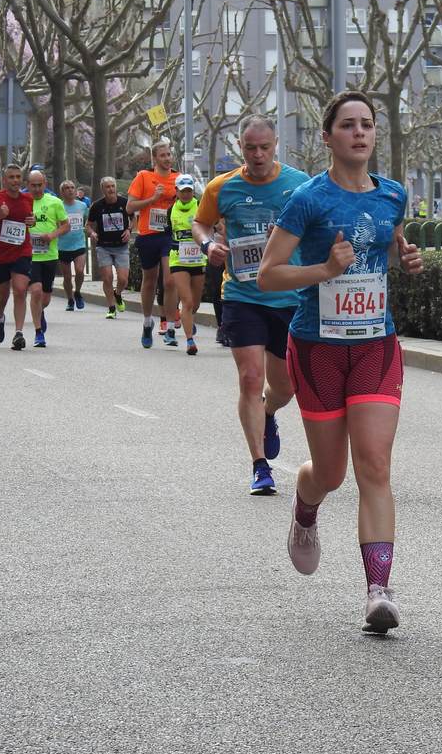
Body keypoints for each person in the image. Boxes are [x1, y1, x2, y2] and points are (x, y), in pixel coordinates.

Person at [258, 91, 424, 634]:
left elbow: (390, 246)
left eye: (367, 125)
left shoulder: (393, 196)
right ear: (327, 137)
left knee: (373, 465)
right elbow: (268, 275)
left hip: (376, 344)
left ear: (376, 135)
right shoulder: (308, 200)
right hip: (317, 347)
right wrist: (325, 271)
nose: (359, 133)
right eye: (347, 125)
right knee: (330, 473)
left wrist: (407, 256)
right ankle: (306, 509)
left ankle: (379, 590)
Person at [192, 114, 307, 495]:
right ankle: (260, 466)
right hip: (242, 295)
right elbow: (201, 223)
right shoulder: (222, 187)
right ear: (240, 148)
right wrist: (209, 245)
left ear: (276, 146)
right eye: (250, 148)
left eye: (264, 147)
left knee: (285, 386)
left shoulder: (299, 185)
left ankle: (270, 412)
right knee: (250, 378)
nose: (257, 155)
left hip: (288, 297)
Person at [0, 164, 36, 350]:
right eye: (12, 177)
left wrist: (32, 221)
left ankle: (19, 333)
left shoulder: (27, 198)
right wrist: (0, 216)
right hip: (0, 253)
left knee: (20, 289)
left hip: (22, 250)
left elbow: (29, 219)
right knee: (2, 293)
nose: (16, 180)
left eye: (18, 177)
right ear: (4, 180)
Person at [127, 140, 179, 348]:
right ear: (155, 158)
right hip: (148, 234)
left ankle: (171, 327)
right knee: (149, 279)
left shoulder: (178, 178)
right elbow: (130, 207)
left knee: (170, 280)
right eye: (163, 155)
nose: (167, 158)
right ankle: (147, 321)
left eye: (169, 155)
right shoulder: (144, 177)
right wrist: (152, 198)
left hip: (169, 234)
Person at [26, 170, 69, 348]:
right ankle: (38, 333)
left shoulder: (55, 202)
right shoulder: (23, 202)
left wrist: (52, 235)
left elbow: (66, 225)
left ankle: (39, 312)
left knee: (45, 298)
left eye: (39, 185)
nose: (36, 189)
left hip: (50, 255)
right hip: (30, 255)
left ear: (45, 184)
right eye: (33, 185)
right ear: (28, 185)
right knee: (35, 292)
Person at [168, 173, 204, 355]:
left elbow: (210, 226)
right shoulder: (170, 210)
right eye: (182, 191)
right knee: (187, 302)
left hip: (198, 260)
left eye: (189, 191)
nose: (186, 194)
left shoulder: (202, 207)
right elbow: (165, 234)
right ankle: (190, 341)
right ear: (176, 191)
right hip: (178, 260)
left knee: (195, 304)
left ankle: (188, 318)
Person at [88, 176, 131, 319]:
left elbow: (134, 219)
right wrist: (93, 233)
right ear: (103, 189)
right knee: (107, 278)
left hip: (121, 246)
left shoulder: (124, 203)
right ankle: (111, 307)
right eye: (108, 187)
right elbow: (88, 225)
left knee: (123, 279)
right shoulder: (96, 206)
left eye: (113, 186)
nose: (111, 189)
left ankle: (117, 294)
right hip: (104, 246)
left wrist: (129, 230)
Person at [57, 179, 89, 311]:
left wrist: (88, 230)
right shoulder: (58, 206)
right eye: (67, 188)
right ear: (62, 192)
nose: (70, 190)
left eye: (72, 187)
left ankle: (78, 292)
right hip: (62, 246)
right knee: (67, 277)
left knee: (80, 271)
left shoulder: (82, 206)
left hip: (79, 244)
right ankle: (70, 299)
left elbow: (88, 221)